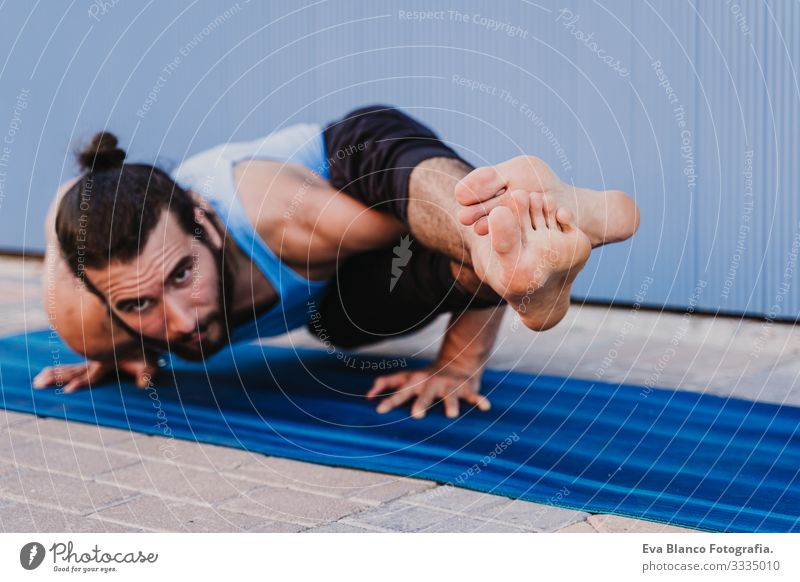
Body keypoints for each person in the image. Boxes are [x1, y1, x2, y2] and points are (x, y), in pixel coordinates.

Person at [33, 105, 639, 418]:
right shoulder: (87, 318)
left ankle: (519, 248)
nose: (181, 319)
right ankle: (530, 250)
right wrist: (113, 350)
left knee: (419, 207)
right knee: (346, 325)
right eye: (139, 305)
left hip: (360, 164)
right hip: (333, 298)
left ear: (207, 226)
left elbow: (409, 215)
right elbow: (72, 205)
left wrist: (459, 364)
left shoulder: (291, 222)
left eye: (181, 276)